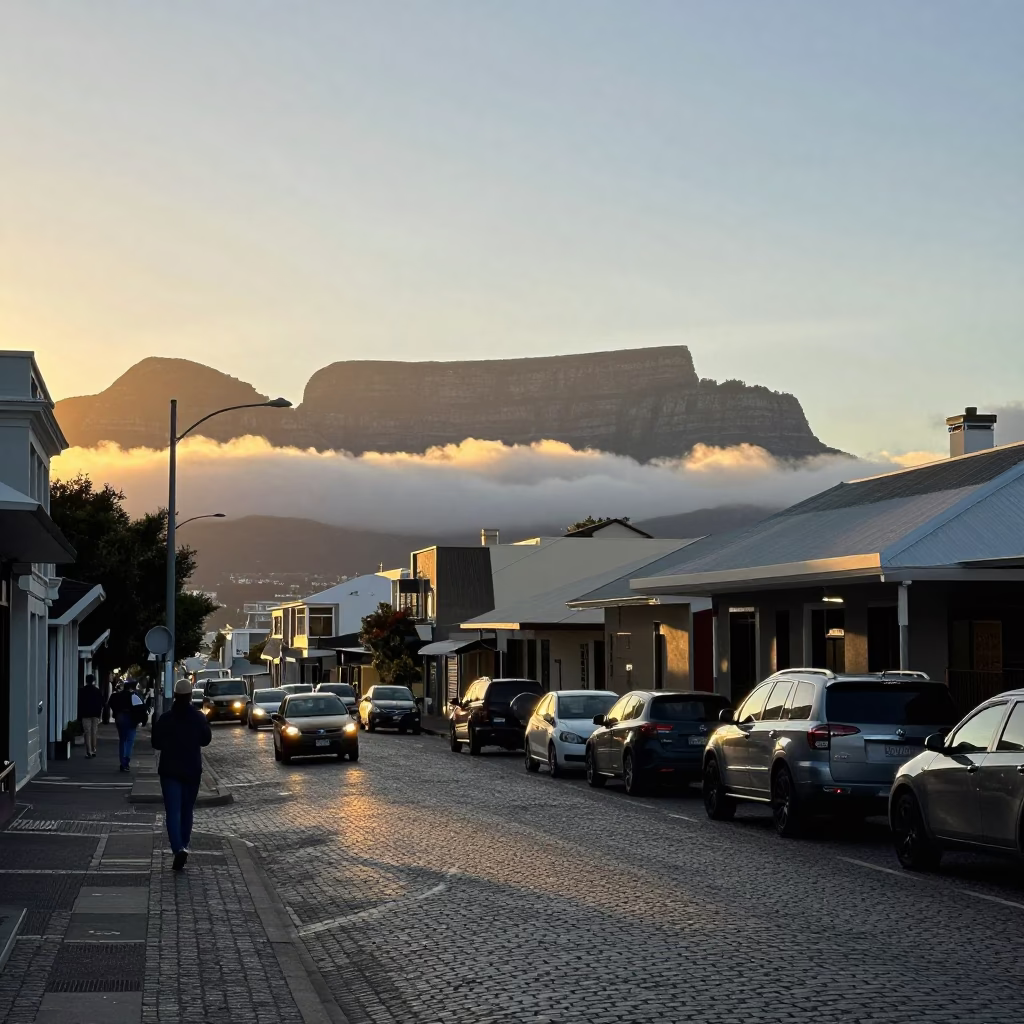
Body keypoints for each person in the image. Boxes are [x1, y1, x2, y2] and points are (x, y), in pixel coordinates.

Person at [151, 677, 212, 871]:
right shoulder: (198, 717)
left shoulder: (166, 718)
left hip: (170, 770)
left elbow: (156, 743)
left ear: (175, 696)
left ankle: (178, 848)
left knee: (173, 811)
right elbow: (205, 740)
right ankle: (184, 845)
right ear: (190, 696)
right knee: (187, 810)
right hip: (192, 769)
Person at [107, 679, 146, 771]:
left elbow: (110, 703)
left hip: (119, 718)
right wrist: (142, 720)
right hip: (130, 719)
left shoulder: (117, 696)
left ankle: (122, 762)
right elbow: (141, 709)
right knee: (129, 741)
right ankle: (125, 762)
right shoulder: (134, 696)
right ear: (132, 688)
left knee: (122, 740)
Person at [78, 674, 104, 758]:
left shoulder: (82, 691)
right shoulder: (97, 691)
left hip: (85, 714)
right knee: (94, 731)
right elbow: (102, 703)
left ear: (86, 680)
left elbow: (80, 703)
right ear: (94, 681)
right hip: (95, 714)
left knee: (87, 732)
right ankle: (94, 749)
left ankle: (88, 751)